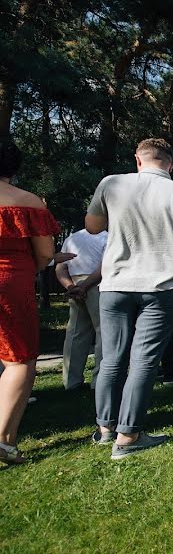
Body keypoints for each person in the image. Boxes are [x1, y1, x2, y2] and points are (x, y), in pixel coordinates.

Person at [86, 138, 173, 459]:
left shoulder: (111, 184)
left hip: (115, 283)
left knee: (111, 359)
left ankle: (104, 429)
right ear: (171, 165)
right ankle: (128, 436)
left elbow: (92, 225)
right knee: (144, 360)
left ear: (138, 161)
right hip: (164, 286)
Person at [0, 140, 67, 465]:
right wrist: (35, 268)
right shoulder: (28, 203)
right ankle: (4, 439)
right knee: (20, 360)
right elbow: (44, 254)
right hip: (10, 282)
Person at [55, 227, 107, 390]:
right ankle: (99, 380)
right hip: (97, 284)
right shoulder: (108, 237)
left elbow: (60, 268)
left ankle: (71, 380)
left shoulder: (72, 238)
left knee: (75, 333)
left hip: (75, 283)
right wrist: (85, 286)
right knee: (103, 333)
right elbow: (104, 267)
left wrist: (71, 287)